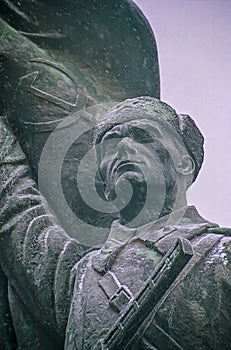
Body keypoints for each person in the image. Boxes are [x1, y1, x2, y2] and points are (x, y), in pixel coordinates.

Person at [0, 97, 230, 349]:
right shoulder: (78, 276)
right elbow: (14, 207)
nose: (123, 148)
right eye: (110, 142)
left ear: (184, 162)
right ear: (104, 181)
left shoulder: (222, 255)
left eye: (143, 135)